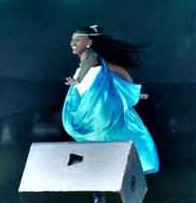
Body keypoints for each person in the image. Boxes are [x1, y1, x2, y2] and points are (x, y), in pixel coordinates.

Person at [63, 25, 159, 174]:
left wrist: (131, 91)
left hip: (100, 121)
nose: (72, 44)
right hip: (86, 121)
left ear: (89, 42)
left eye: (77, 40)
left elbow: (119, 72)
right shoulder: (83, 68)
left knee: (107, 149)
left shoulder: (97, 63)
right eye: (72, 40)